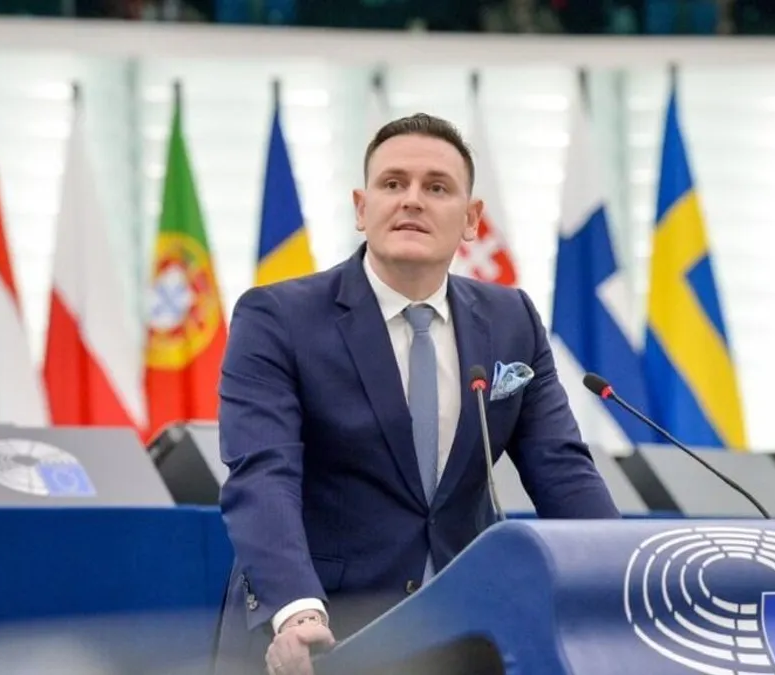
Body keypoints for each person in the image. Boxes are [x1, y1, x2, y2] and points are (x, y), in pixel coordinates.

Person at [213, 113, 620, 675]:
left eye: (436, 187)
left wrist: (626, 582)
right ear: (362, 208)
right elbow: (263, 475)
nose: (411, 200)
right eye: (392, 183)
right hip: (321, 635)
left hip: (463, 638)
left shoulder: (512, 320)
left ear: (471, 218)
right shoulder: (277, 318)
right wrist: (297, 609)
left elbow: (564, 472)